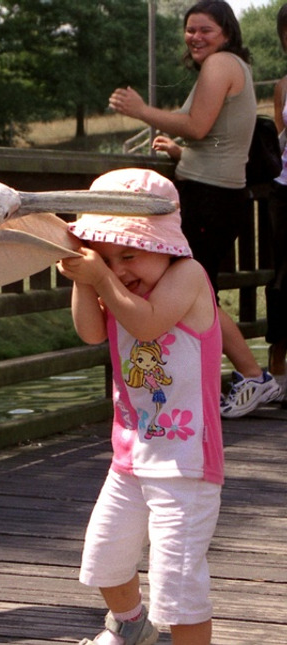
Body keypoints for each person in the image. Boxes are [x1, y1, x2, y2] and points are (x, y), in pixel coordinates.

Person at [57, 168, 223, 645]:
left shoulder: (187, 276)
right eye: (106, 256)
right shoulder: (117, 286)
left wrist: (103, 279)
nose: (120, 268)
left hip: (185, 464)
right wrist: (83, 276)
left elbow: (147, 326)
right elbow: (91, 331)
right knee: (105, 558)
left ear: (165, 243)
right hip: (132, 454)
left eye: (128, 253)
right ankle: (132, 627)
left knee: (179, 587)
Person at [108, 0, 280, 419]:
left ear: (226, 32)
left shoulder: (220, 64)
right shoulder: (230, 65)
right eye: (190, 30)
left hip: (211, 198)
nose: (196, 37)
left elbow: (200, 125)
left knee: (195, 293)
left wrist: (141, 111)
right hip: (217, 193)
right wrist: (181, 154)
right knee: (198, 291)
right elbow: (218, 139)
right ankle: (227, 379)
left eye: (206, 29)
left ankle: (253, 376)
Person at [266, 4, 287, 405]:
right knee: (284, 279)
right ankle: (278, 372)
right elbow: (281, 143)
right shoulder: (283, 85)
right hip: (285, 192)